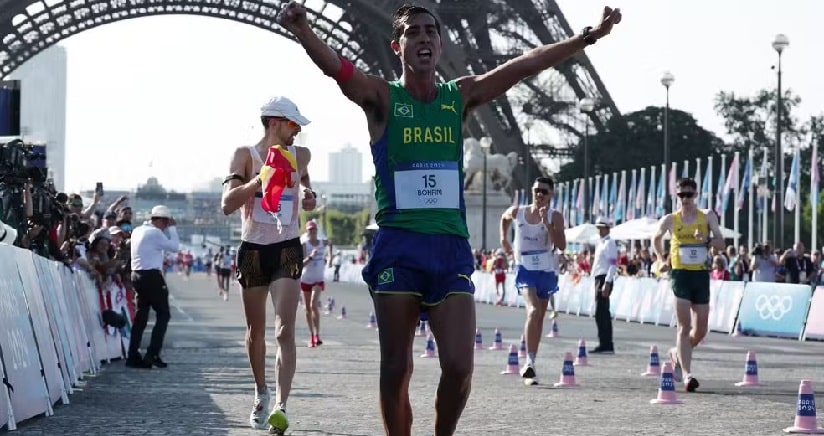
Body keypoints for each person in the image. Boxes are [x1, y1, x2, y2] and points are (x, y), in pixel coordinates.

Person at [277, 3, 621, 435]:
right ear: (396, 45)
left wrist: (586, 37)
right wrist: (304, 30)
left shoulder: (458, 97)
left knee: (459, 366)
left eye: (430, 32)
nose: (423, 38)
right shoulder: (383, 98)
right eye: (413, 33)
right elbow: (340, 69)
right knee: (396, 368)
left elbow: (521, 66)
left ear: (441, 43)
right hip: (399, 248)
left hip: (450, 249)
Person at [220, 95, 316, 434]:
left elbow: (305, 183)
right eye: (293, 125)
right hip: (253, 250)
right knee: (255, 332)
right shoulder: (245, 155)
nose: (297, 131)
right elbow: (227, 204)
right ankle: (261, 391)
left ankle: (281, 406)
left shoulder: (300, 155)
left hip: (288, 247)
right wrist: (258, 181)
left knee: (284, 330)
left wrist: (309, 196)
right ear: (274, 123)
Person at [653, 178, 724, 392]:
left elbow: (721, 243)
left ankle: (677, 353)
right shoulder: (671, 219)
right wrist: (660, 258)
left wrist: (707, 241)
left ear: (696, 195)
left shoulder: (707, 216)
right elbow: (655, 238)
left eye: (689, 195)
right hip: (680, 275)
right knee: (684, 327)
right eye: (681, 195)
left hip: (701, 275)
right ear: (676, 196)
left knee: (700, 330)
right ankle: (687, 375)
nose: (685, 199)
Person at [499, 177, 566, 382]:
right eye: (537, 190)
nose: (539, 194)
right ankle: (528, 361)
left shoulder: (555, 216)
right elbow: (504, 218)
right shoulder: (518, 211)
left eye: (544, 192)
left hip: (545, 269)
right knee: (533, 310)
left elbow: (562, 245)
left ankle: (531, 362)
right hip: (525, 268)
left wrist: (547, 223)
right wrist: (503, 237)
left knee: (538, 318)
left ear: (551, 194)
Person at [126, 205, 179, 369]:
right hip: (151, 276)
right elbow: (175, 247)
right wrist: (173, 228)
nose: (166, 227)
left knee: (141, 317)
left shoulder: (137, 230)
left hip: (136, 274)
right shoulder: (155, 232)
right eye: (166, 223)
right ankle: (152, 354)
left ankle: (132, 355)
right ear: (162, 221)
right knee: (164, 314)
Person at [590, 216, 617, 354]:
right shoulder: (600, 243)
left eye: (602, 228)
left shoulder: (609, 243)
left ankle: (606, 343)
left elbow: (613, 264)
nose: (599, 230)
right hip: (598, 277)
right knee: (600, 312)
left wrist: (607, 282)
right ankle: (604, 342)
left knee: (602, 312)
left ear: (607, 229)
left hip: (604, 278)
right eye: (598, 228)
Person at [300, 220, 327, 347]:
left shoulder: (322, 242)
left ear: (316, 231)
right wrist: (311, 257)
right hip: (306, 279)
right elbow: (301, 264)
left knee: (313, 304)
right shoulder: (305, 245)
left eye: (314, 230)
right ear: (307, 231)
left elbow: (330, 243)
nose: (312, 232)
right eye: (310, 230)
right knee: (307, 309)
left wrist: (330, 258)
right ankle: (311, 335)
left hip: (318, 279)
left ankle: (317, 334)